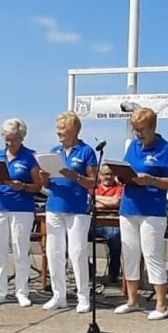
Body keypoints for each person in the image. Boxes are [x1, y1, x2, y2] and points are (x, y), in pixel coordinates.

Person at [114, 107, 168, 320]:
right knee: (130, 254)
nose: (139, 134)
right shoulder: (133, 146)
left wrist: (150, 179)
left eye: (142, 130)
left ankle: (161, 305)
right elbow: (125, 168)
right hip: (129, 206)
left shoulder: (166, 149)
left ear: (153, 128)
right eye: (136, 130)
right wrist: (119, 177)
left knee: (152, 255)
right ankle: (132, 300)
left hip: (152, 209)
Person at [38, 111, 98, 313]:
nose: (58, 132)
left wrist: (74, 176)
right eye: (58, 128)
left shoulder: (86, 151)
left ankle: (83, 296)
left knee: (77, 252)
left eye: (62, 128)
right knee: (53, 252)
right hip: (54, 206)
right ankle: (58, 295)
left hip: (78, 209)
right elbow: (47, 184)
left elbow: (93, 182)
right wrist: (44, 178)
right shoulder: (54, 151)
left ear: (74, 130)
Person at [0, 118, 42, 308]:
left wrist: (22, 186)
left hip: (22, 208)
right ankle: (0, 291)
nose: (10, 143)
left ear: (22, 137)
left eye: (14, 139)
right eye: (7, 139)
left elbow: (38, 186)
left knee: (20, 250)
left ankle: (22, 291)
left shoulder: (30, 156)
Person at [93, 165, 123, 284]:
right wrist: (108, 201)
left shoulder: (119, 188)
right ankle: (88, 270)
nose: (108, 177)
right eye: (105, 174)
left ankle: (114, 273)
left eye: (111, 174)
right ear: (100, 176)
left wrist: (96, 198)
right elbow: (90, 203)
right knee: (75, 237)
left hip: (111, 224)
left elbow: (116, 202)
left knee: (116, 236)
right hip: (93, 223)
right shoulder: (93, 187)